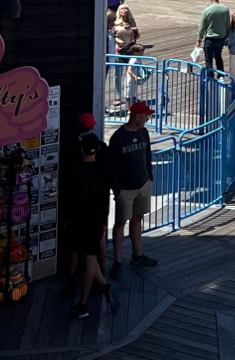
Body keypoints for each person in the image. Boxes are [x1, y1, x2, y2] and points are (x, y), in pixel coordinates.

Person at [65, 133, 117, 319]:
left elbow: (69, 198)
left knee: (83, 257)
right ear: (98, 149)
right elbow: (105, 198)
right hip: (95, 221)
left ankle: (84, 303)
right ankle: (103, 288)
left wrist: (66, 220)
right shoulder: (103, 170)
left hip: (76, 220)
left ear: (82, 149)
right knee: (90, 259)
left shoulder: (74, 169)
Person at [109, 100, 157, 280]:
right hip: (125, 188)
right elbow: (112, 165)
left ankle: (137, 255)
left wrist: (149, 177)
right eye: (145, 115)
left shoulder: (144, 133)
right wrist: (117, 189)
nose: (147, 118)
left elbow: (148, 156)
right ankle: (117, 261)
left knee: (137, 218)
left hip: (143, 184)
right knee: (120, 222)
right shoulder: (118, 137)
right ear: (137, 116)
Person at [197, 0, 230, 73]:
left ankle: (210, 78)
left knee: (209, 60)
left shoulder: (206, 11)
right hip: (221, 38)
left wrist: (199, 39)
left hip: (210, 39)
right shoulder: (225, 10)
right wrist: (227, 37)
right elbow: (227, 25)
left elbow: (202, 27)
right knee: (218, 57)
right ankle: (221, 76)